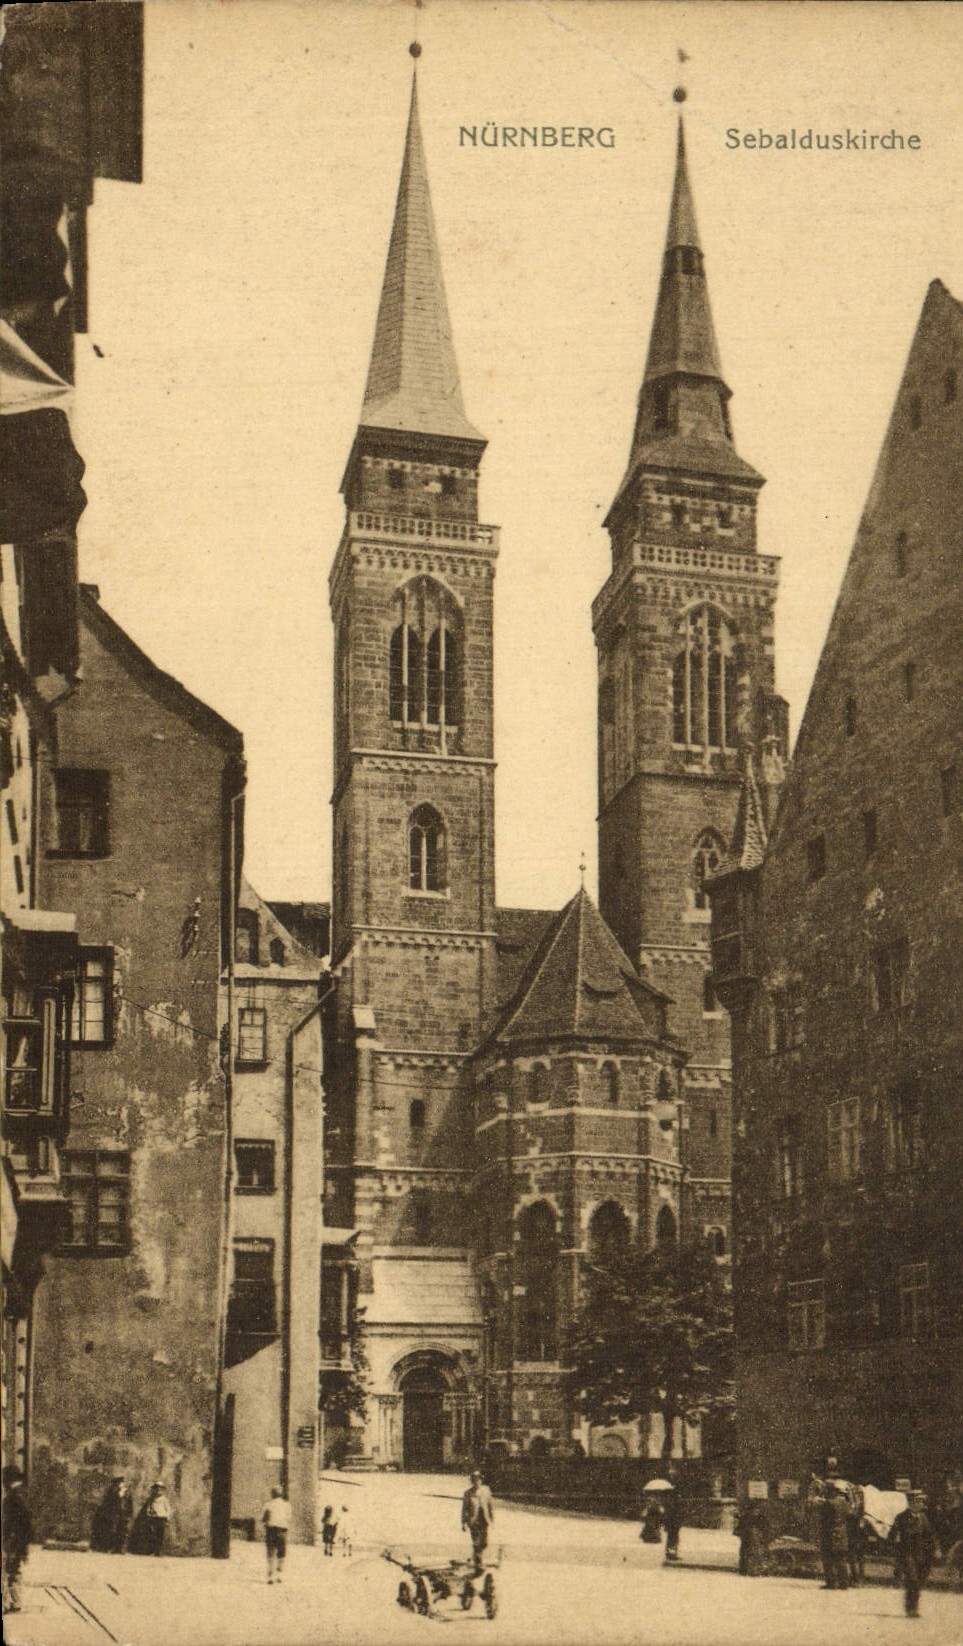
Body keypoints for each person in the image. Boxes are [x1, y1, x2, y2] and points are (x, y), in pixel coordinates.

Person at [891, 1491, 936, 1619]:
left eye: (922, 1501)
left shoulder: (923, 1517)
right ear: (912, 1502)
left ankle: (913, 1606)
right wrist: (896, 1538)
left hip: (921, 1554)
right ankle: (911, 1608)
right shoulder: (901, 1517)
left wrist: (934, 1550)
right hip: (907, 1553)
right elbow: (893, 1534)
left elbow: (930, 1535)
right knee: (913, 1579)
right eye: (919, 1501)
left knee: (919, 1581)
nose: (922, 1504)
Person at [2, 1466, 33, 1614]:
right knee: (13, 1570)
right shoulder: (21, 1493)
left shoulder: (14, 1496)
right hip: (18, 1539)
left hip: (14, 1540)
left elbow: (23, 1521)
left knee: (11, 1570)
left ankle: (14, 1602)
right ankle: (14, 1601)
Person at [461, 1470, 495, 1574]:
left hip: (484, 1520)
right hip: (473, 1522)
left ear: (481, 1480)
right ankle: (479, 1564)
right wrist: (464, 1523)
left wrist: (492, 1520)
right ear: (472, 1481)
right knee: (476, 1542)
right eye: (475, 1480)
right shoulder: (468, 1493)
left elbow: (490, 1506)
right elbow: (464, 1509)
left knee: (484, 1543)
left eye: (479, 1480)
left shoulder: (486, 1490)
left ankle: (476, 1557)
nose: (477, 1482)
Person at [819, 1481, 851, 1590]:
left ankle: (831, 1583)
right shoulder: (846, 1504)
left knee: (827, 1559)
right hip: (842, 1534)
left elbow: (824, 1520)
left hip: (830, 1534)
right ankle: (844, 1583)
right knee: (841, 1559)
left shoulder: (829, 1503)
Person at [91, 1476, 133, 1554]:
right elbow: (107, 1503)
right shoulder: (112, 1492)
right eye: (119, 1483)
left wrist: (129, 1514)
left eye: (122, 1482)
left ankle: (119, 1549)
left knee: (122, 1531)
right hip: (113, 1514)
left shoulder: (127, 1492)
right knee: (112, 1530)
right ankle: (109, 1547)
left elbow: (129, 1504)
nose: (121, 1484)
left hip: (123, 1514)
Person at [262, 1485, 292, 1583]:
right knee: (281, 1553)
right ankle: (279, 1575)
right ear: (281, 1494)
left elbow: (264, 1518)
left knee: (270, 1553)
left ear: (272, 1494)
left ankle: (270, 1577)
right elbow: (289, 1519)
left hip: (271, 1530)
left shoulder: (268, 1504)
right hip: (282, 1531)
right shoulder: (287, 1505)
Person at [144, 1482, 171, 1556]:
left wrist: (167, 1518)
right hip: (153, 1518)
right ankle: (152, 1550)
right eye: (157, 1488)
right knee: (153, 1534)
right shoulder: (151, 1498)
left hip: (161, 1518)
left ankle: (158, 1551)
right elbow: (148, 1507)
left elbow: (168, 1509)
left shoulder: (164, 1499)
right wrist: (149, 1514)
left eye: (160, 1488)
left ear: (162, 1490)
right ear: (154, 1490)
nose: (158, 1490)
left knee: (160, 1535)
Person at [663, 1484, 684, 1564]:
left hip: (671, 1522)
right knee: (673, 1538)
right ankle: (671, 1553)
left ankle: (671, 1553)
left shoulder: (669, 1500)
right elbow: (673, 1512)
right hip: (673, 1522)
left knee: (672, 1537)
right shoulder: (672, 1501)